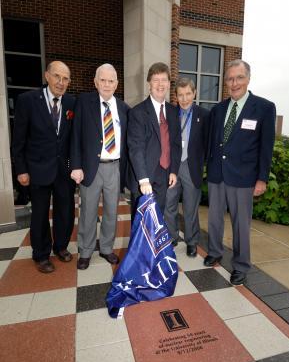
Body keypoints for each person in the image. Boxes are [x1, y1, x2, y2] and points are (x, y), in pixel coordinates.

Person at [204, 59, 276, 285]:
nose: (234, 83)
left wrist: (262, 178)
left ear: (248, 79)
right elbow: (211, 142)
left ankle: (241, 265)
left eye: (239, 78)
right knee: (214, 219)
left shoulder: (264, 108)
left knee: (240, 224)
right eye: (230, 79)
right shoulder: (217, 109)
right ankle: (214, 252)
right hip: (217, 174)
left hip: (244, 178)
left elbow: (266, 147)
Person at [12, 61, 75, 273]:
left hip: (63, 169)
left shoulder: (71, 102)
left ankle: (61, 247)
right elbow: (18, 138)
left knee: (65, 211)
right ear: (47, 76)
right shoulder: (27, 100)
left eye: (65, 78)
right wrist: (20, 169)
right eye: (57, 76)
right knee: (39, 214)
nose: (61, 82)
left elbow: (72, 139)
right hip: (37, 168)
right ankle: (40, 254)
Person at [71, 64, 129, 270]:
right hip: (90, 167)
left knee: (112, 211)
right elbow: (76, 136)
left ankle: (106, 248)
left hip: (114, 167)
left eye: (111, 80)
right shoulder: (84, 103)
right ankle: (85, 251)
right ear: (95, 83)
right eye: (102, 80)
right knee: (87, 211)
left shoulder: (123, 108)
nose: (106, 84)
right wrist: (75, 165)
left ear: (116, 84)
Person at [127, 62, 181, 218]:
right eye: (156, 80)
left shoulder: (172, 111)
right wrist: (143, 180)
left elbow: (175, 144)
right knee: (141, 224)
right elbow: (135, 147)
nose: (160, 84)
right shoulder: (138, 112)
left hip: (164, 175)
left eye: (164, 79)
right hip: (143, 177)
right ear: (149, 83)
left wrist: (173, 171)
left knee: (158, 219)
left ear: (169, 83)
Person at [164, 77, 209, 257]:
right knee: (169, 205)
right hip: (172, 168)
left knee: (190, 208)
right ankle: (171, 237)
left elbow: (208, 143)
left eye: (188, 94)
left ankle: (191, 242)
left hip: (192, 168)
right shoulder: (169, 114)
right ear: (175, 95)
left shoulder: (205, 115)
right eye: (180, 95)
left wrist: (202, 163)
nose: (184, 99)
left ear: (194, 93)